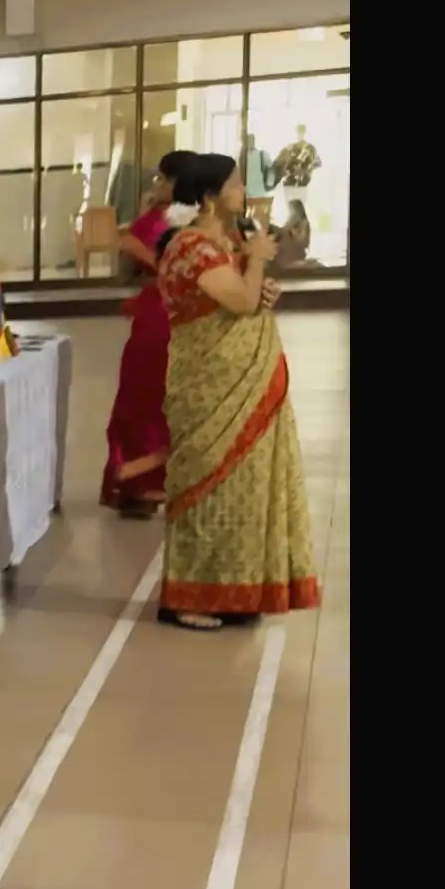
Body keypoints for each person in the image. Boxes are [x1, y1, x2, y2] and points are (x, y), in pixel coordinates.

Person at [151, 153, 320, 631]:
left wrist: (261, 281)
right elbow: (239, 301)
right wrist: (257, 267)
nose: (242, 191)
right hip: (210, 385)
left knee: (242, 487)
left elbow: (248, 299)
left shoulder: (224, 243)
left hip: (241, 379)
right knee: (209, 488)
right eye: (235, 184)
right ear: (208, 197)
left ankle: (235, 591)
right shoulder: (190, 248)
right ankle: (188, 597)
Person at [101, 151, 196, 518]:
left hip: (170, 315)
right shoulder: (157, 217)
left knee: (156, 398)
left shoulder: (191, 222)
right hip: (155, 314)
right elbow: (128, 252)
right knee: (140, 396)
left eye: (163, 179)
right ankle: (137, 482)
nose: (156, 185)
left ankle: (149, 479)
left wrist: (145, 252)